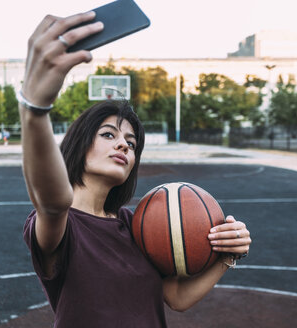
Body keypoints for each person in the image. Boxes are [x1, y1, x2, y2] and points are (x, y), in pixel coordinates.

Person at [20, 11, 251, 328]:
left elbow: (176, 298)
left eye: (131, 142)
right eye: (108, 135)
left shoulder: (138, 223)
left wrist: (227, 255)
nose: (124, 146)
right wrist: (34, 109)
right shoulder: (57, 222)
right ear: (78, 145)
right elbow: (53, 200)